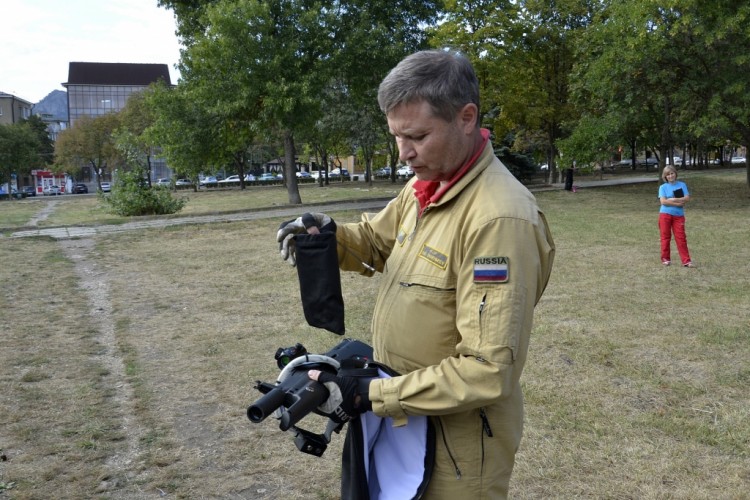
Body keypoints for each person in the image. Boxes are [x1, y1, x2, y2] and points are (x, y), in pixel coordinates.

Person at [277, 50, 555, 498]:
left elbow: (486, 371)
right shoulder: (426, 185)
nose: (404, 154)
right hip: (403, 422)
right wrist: (328, 237)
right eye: (397, 136)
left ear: (466, 117)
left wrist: (369, 396)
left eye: (418, 136)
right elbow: (376, 242)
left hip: (456, 447)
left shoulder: (498, 220)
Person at [658, 165, 693, 267]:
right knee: (665, 237)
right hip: (665, 215)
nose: (670, 176)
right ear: (665, 176)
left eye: (672, 173)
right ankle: (665, 259)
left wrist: (671, 200)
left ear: (675, 174)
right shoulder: (663, 187)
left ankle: (686, 261)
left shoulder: (682, 185)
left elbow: (686, 198)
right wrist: (676, 202)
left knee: (681, 237)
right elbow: (663, 202)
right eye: (668, 174)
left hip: (679, 216)